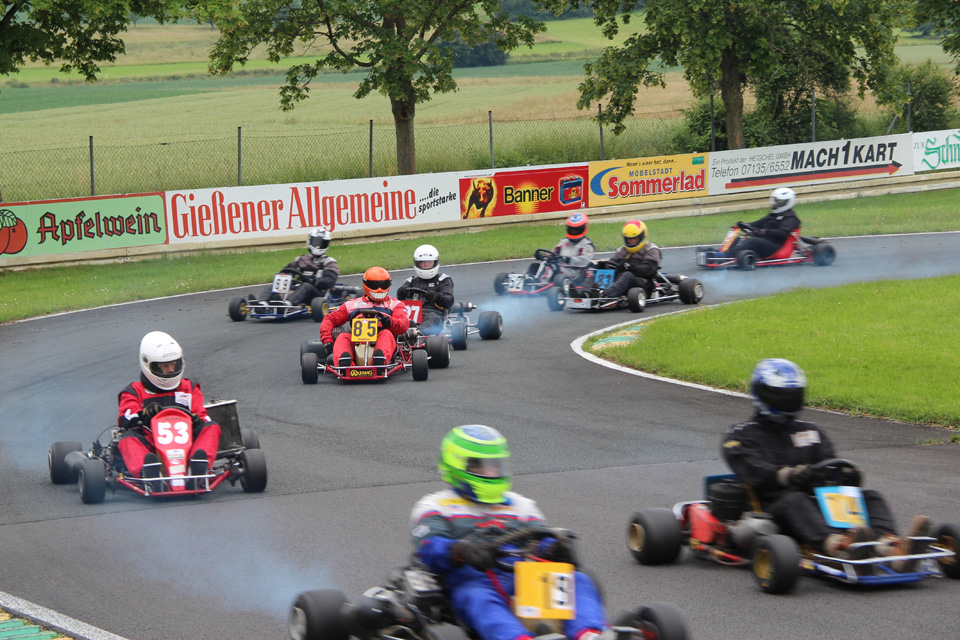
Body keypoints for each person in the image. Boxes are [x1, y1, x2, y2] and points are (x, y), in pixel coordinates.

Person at [721, 358, 931, 568]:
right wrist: (789, 475)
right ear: (762, 393)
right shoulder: (741, 434)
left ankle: (889, 546)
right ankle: (837, 546)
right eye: (781, 396)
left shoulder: (809, 431)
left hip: (823, 502)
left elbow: (829, 463)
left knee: (871, 497)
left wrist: (846, 474)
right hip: (774, 508)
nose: (787, 401)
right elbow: (752, 469)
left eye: (792, 396)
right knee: (796, 499)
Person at [411, 425, 607, 640]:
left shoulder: (519, 505)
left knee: (576, 579)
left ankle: (589, 633)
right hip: (471, 579)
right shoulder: (436, 506)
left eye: (496, 466)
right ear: (457, 465)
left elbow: (539, 539)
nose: (491, 472)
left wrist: (553, 549)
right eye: (481, 467)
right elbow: (429, 548)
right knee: (479, 598)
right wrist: (461, 550)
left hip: (522, 577)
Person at [117, 331, 221, 484]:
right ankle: (148, 472)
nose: (171, 370)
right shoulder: (134, 391)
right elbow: (125, 418)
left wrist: (196, 420)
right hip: (151, 444)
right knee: (128, 439)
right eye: (165, 366)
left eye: (173, 364)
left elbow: (204, 416)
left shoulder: (189, 388)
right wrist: (143, 414)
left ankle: (199, 466)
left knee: (212, 427)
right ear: (148, 365)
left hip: (189, 442)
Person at [319, 266, 410, 368]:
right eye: (374, 285)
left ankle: (379, 361)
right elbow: (329, 319)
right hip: (357, 342)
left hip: (382, 338)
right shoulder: (352, 304)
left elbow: (404, 324)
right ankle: (345, 362)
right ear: (366, 284)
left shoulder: (395, 304)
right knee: (343, 336)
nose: (379, 289)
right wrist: (327, 340)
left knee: (386, 334)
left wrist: (390, 322)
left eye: (384, 285)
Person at [577, 220, 661, 299]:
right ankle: (585, 294)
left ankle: (605, 296)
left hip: (642, 284)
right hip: (620, 282)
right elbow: (612, 264)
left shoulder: (651, 250)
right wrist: (603, 266)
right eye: (629, 239)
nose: (631, 241)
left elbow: (648, 269)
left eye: (634, 239)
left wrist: (629, 267)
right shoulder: (622, 250)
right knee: (595, 276)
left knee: (627, 275)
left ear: (642, 237)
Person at [257, 228, 340, 306]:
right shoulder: (301, 259)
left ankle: (287, 304)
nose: (318, 246)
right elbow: (285, 272)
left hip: (317, 294)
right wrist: (288, 279)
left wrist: (312, 281)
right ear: (310, 241)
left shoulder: (329, 262)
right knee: (273, 286)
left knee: (306, 286)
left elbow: (329, 281)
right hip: (298, 290)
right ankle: (262, 303)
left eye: (321, 243)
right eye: (316, 242)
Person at [721, 187, 801, 259]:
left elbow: (782, 233)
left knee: (753, 241)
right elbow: (758, 223)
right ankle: (720, 253)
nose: (776, 204)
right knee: (739, 238)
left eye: (779, 202)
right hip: (763, 241)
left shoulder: (791, 218)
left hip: (775, 245)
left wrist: (763, 232)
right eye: (776, 201)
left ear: (788, 202)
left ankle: (726, 256)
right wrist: (746, 225)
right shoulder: (773, 215)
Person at [396, 244, 455, 335]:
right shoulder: (411, 280)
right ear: (417, 263)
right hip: (411, 317)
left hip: (435, 317)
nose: (426, 265)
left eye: (429, 262)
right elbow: (400, 298)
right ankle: (402, 332)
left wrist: (436, 297)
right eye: (423, 262)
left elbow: (449, 301)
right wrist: (402, 292)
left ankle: (418, 333)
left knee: (431, 316)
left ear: (435, 262)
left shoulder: (443, 280)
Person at [525, 212, 595, 286]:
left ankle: (539, 283)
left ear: (583, 228)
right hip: (561, 269)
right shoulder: (564, 241)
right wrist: (543, 256)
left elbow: (584, 262)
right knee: (535, 266)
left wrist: (566, 259)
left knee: (552, 267)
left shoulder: (586, 244)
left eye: (576, 230)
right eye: (571, 229)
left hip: (575, 273)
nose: (573, 232)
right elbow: (554, 254)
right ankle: (525, 280)